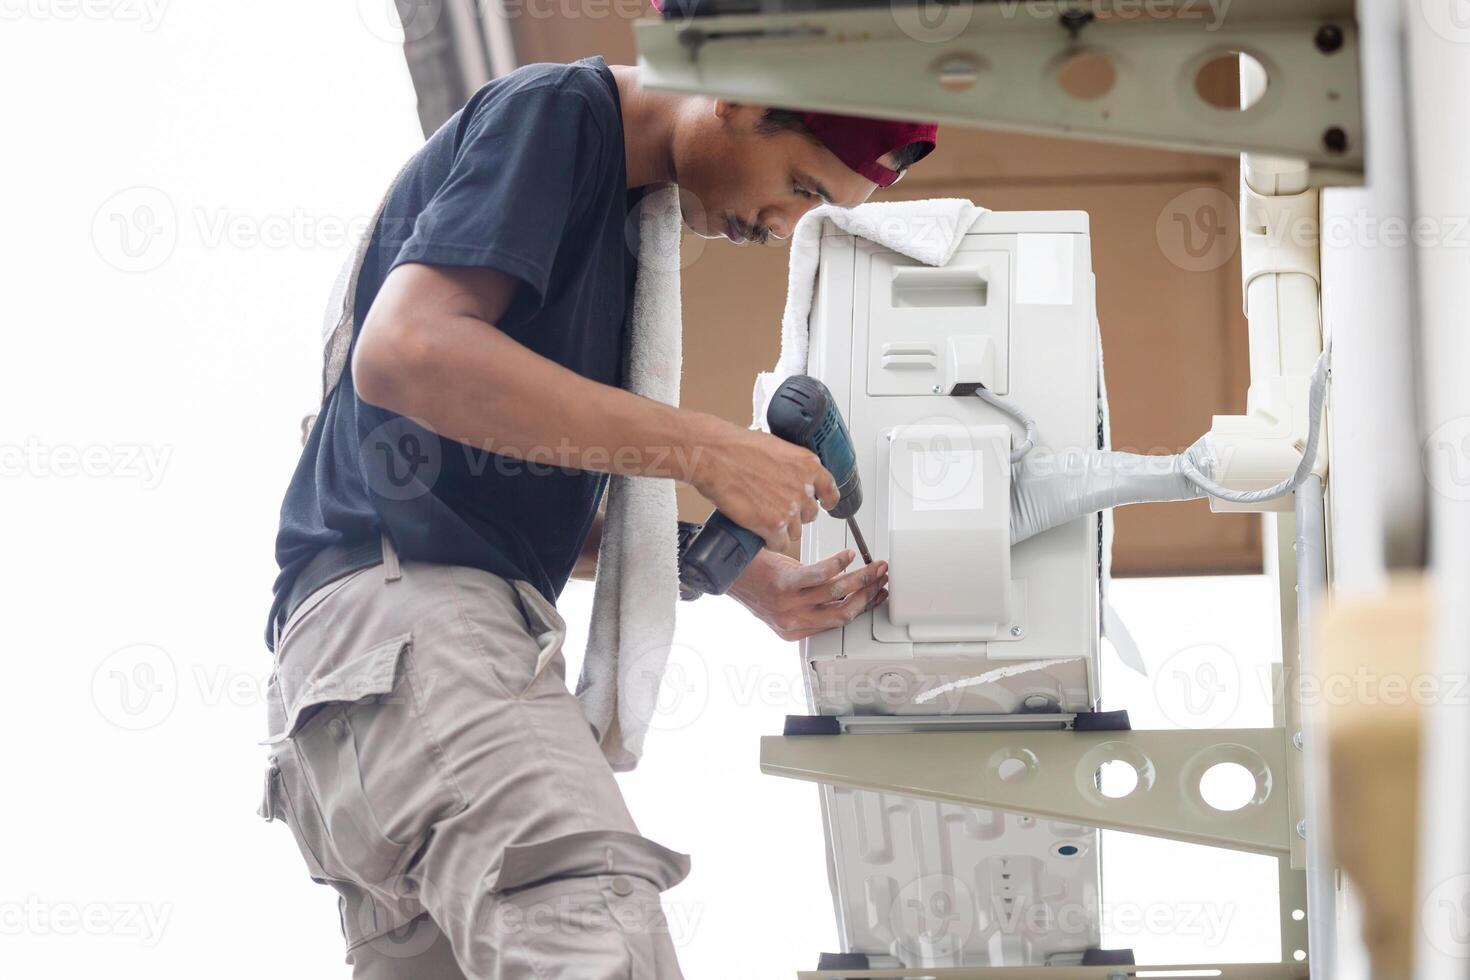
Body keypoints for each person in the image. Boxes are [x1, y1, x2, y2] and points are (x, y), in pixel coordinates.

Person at [260, 53, 937, 979]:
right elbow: (409, 351)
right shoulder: (560, 116)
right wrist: (704, 450)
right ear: (737, 93)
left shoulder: (618, 218)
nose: (786, 228)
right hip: (418, 641)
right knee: (595, 939)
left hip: (364, 691)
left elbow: (492, 482)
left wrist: (743, 573)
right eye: (798, 187)